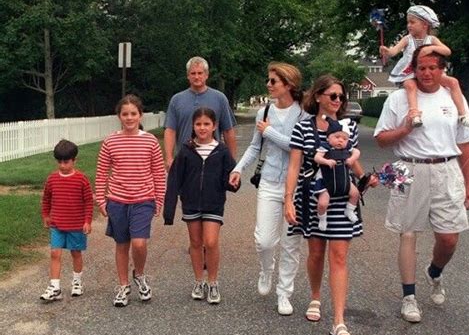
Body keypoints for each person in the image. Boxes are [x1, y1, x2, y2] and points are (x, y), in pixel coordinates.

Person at [374, 46, 469, 323]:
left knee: (449, 237)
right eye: (421, 68)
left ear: (442, 70)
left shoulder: (453, 97)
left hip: (446, 169)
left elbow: (465, 143)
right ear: (413, 70)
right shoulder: (398, 99)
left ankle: (435, 271)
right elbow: (381, 139)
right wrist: (405, 128)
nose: (427, 73)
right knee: (408, 233)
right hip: (410, 168)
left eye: (433, 68)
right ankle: (409, 297)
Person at [285, 75, 377, 335]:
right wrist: (288, 199)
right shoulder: (302, 128)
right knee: (315, 253)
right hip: (314, 194)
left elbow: (351, 160)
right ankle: (315, 297)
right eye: (333, 96)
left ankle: (339, 321)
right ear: (318, 97)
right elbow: (294, 166)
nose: (338, 101)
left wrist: (368, 178)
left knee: (338, 257)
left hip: (341, 196)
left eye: (341, 97)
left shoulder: (349, 127)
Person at [229, 62, 309, 316]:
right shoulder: (263, 113)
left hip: (297, 187)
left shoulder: (304, 114)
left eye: (273, 81)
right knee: (264, 241)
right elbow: (255, 146)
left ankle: (284, 292)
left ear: (289, 84)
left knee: (290, 243)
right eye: (269, 80)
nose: (268, 84)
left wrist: (271, 133)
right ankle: (266, 269)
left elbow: (301, 148)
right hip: (269, 183)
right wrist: (238, 168)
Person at [95, 94, 166, 307]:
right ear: (119, 116)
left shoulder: (150, 141)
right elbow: (101, 173)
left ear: (140, 115)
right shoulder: (110, 141)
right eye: (125, 114)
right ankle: (123, 285)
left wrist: (159, 200)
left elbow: (158, 173)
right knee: (122, 244)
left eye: (133, 113)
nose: (129, 118)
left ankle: (140, 274)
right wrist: (101, 199)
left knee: (139, 242)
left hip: (143, 199)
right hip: (117, 200)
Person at [163, 107, 239, 304]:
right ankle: (199, 281)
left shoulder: (222, 150)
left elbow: (230, 176)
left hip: (214, 203)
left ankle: (213, 282)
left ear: (214, 126)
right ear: (193, 126)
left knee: (211, 242)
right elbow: (174, 181)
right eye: (198, 124)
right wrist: (169, 211)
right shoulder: (186, 151)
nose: (202, 128)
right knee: (196, 243)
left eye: (207, 124)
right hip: (191, 203)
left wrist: (233, 182)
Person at [380, 5, 469, 128]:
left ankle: (463, 115)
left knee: (453, 82)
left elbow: (447, 51)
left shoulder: (432, 39)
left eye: (412, 22)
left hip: (429, 72)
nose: (409, 25)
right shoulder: (407, 39)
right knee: (410, 85)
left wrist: (432, 48)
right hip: (411, 71)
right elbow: (394, 51)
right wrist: (387, 51)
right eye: (408, 22)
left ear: (425, 25)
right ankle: (414, 113)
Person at [40, 139, 93, 301]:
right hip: (57, 224)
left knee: (75, 253)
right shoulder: (52, 179)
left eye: (66, 162)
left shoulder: (82, 179)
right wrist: (46, 215)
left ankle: (77, 282)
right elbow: (46, 199)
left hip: (76, 225)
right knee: (55, 253)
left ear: (74, 160)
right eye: (60, 162)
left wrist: (87, 221)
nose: (63, 165)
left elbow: (88, 201)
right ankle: (55, 287)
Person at [164, 56, 237, 170]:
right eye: (193, 73)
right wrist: (169, 157)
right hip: (185, 161)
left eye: (200, 73)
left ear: (206, 75)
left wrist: (232, 162)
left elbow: (228, 131)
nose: (196, 76)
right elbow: (170, 130)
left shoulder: (220, 98)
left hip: (214, 160)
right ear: (188, 76)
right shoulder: (176, 100)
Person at [313, 116, 361, 231]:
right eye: (337, 137)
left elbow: (357, 151)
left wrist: (352, 159)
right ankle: (322, 218)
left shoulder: (347, 148)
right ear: (328, 138)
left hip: (344, 178)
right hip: (325, 180)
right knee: (323, 203)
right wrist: (326, 161)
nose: (340, 140)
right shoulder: (325, 147)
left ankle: (349, 210)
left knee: (355, 194)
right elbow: (317, 158)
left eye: (344, 139)